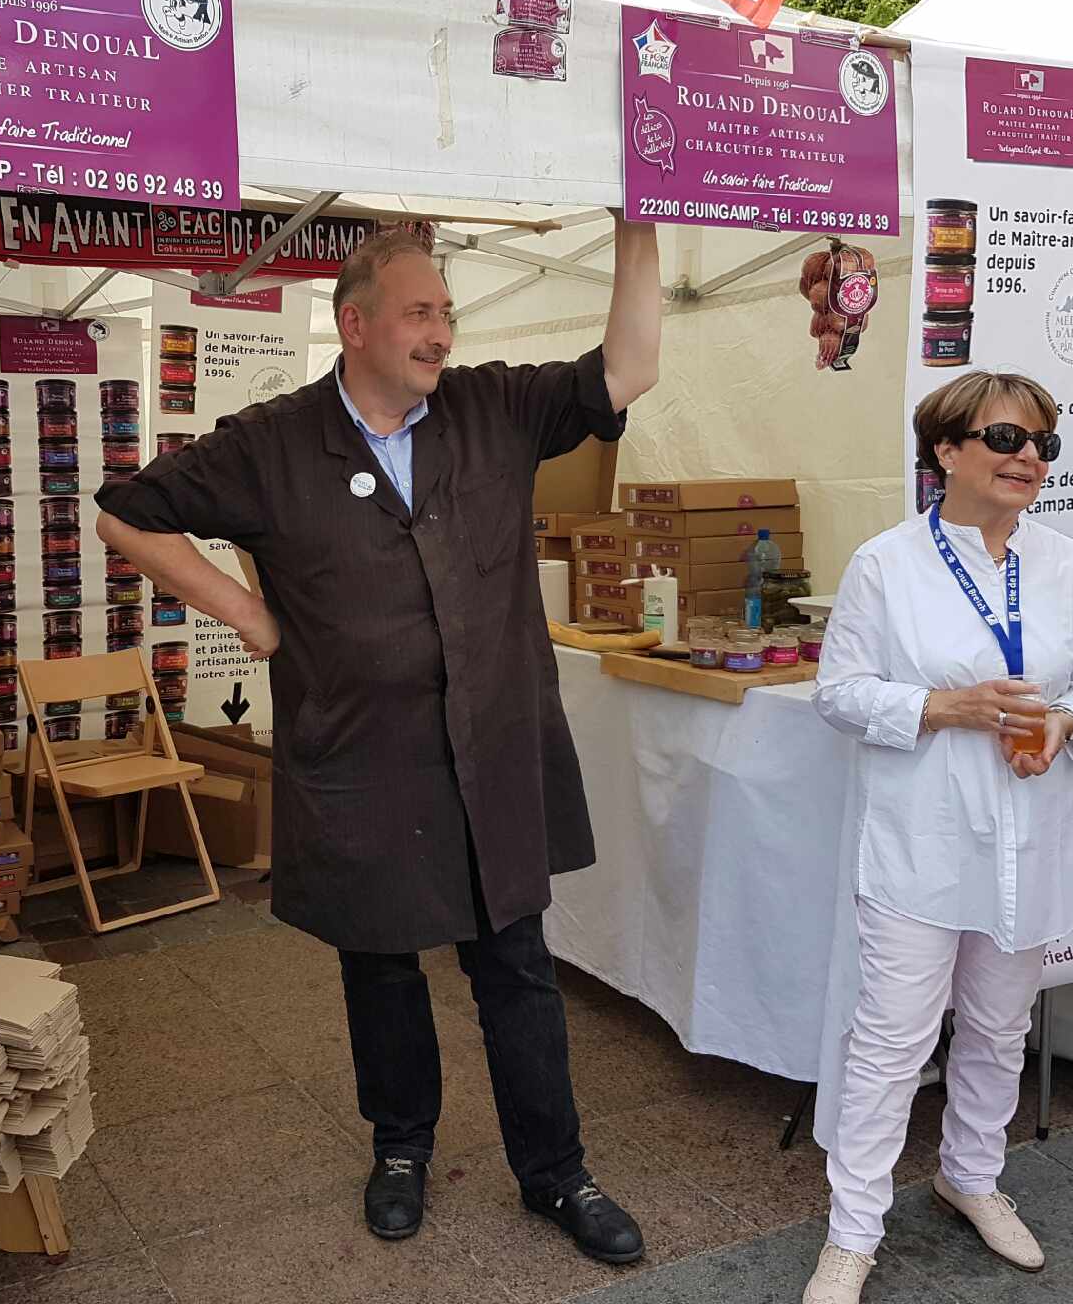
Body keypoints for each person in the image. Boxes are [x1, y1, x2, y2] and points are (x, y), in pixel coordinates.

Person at [95, 220, 661, 1260]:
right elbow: (124, 514)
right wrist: (247, 615)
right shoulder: (273, 441)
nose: (441, 331)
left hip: (491, 747)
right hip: (360, 754)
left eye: (447, 311)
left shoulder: (493, 407)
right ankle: (401, 1149)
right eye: (419, 311)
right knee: (383, 966)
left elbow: (629, 366)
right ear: (354, 325)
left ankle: (558, 1173)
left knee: (516, 965)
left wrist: (640, 229)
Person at [803, 372, 1073, 1304]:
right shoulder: (887, 564)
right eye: (1006, 438)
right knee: (892, 1045)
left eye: (1043, 445)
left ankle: (971, 1178)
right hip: (922, 841)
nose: (1031, 458)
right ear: (945, 451)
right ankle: (852, 1234)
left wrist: (1065, 723)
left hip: (1033, 840)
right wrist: (945, 707)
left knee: (997, 1027)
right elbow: (837, 693)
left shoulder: (1068, 564)